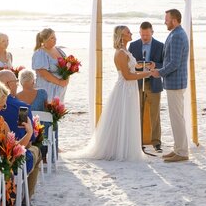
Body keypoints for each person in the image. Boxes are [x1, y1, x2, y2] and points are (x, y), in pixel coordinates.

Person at [70, 25, 159, 162]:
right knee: (123, 117)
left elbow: (133, 66)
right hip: (125, 89)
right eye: (128, 32)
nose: (131, 34)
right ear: (122, 37)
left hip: (130, 88)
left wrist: (146, 65)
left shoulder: (125, 51)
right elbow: (127, 75)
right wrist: (147, 74)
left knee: (128, 117)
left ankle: (126, 147)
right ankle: (120, 149)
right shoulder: (120, 53)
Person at [0, 70, 44, 195]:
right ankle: (26, 197)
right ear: (8, 85)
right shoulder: (21, 108)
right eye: (15, 82)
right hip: (13, 162)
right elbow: (26, 144)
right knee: (36, 151)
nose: (17, 85)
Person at [128, 21, 166, 153]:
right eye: (143, 35)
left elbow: (164, 64)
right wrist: (138, 66)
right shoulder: (133, 45)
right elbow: (128, 64)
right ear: (139, 33)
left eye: (147, 35)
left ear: (152, 33)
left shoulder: (160, 46)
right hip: (137, 83)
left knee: (155, 114)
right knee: (138, 112)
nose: (144, 37)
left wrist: (155, 65)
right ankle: (138, 142)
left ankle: (156, 142)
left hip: (154, 83)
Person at [160, 9, 191, 162]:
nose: (165, 21)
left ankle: (182, 152)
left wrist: (159, 72)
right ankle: (178, 148)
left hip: (176, 82)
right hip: (174, 81)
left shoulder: (178, 35)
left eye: (167, 19)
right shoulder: (175, 33)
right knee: (176, 117)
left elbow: (174, 63)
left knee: (177, 118)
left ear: (174, 20)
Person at [31, 28, 69, 103]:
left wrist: (66, 79)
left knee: (58, 110)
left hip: (60, 88)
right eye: (52, 38)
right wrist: (59, 82)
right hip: (47, 88)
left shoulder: (59, 50)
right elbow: (43, 73)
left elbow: (67, 67)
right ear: (45, 40)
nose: (55, 39)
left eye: (55, 37)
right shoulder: (40, 53)